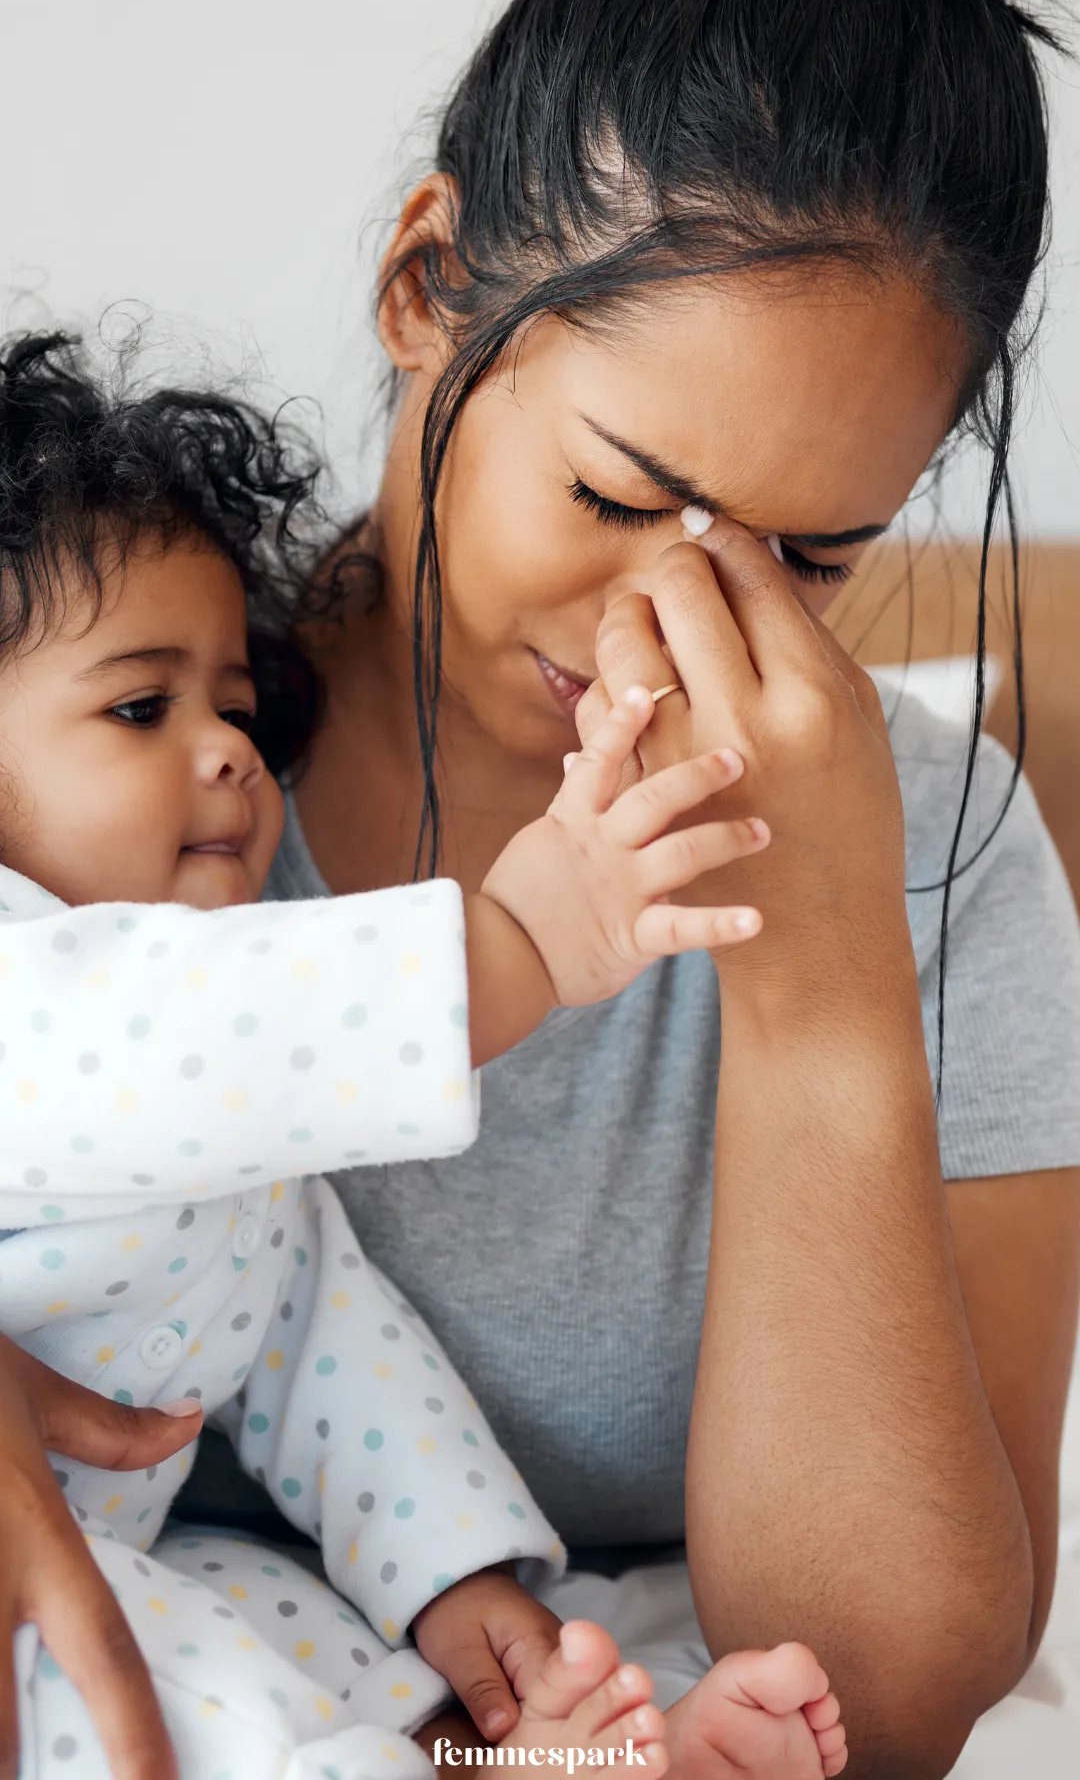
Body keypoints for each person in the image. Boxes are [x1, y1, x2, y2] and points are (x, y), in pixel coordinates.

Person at [2, 0, 1079, 1777]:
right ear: (429, 287)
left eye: (807, 563)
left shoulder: (947, 861)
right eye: (613, 499)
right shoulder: (100, 735)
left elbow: (887, 1702)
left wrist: (821, 971)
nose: (660, 636)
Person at [0, 333, 855, 1780]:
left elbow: (325, 1346)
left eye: (236, 710)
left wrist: (458, 1583)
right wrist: (522, 936)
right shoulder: (42, 992)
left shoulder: (249, 1154)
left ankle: (548, 1753)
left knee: (312, 1635)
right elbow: (195, 1037)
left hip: (129, 1550)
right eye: (142, 708)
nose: (223, 752)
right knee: (212, 1698)